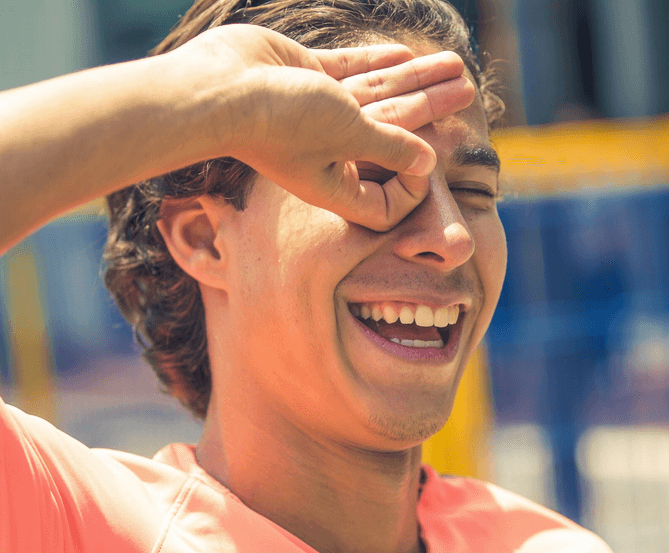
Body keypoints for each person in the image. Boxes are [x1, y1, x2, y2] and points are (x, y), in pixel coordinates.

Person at [0, 1, 612, 551]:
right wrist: (212, 91)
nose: (450, 240)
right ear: (204, 238)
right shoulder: (78, 525)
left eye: (476, 192)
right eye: (374, 178)